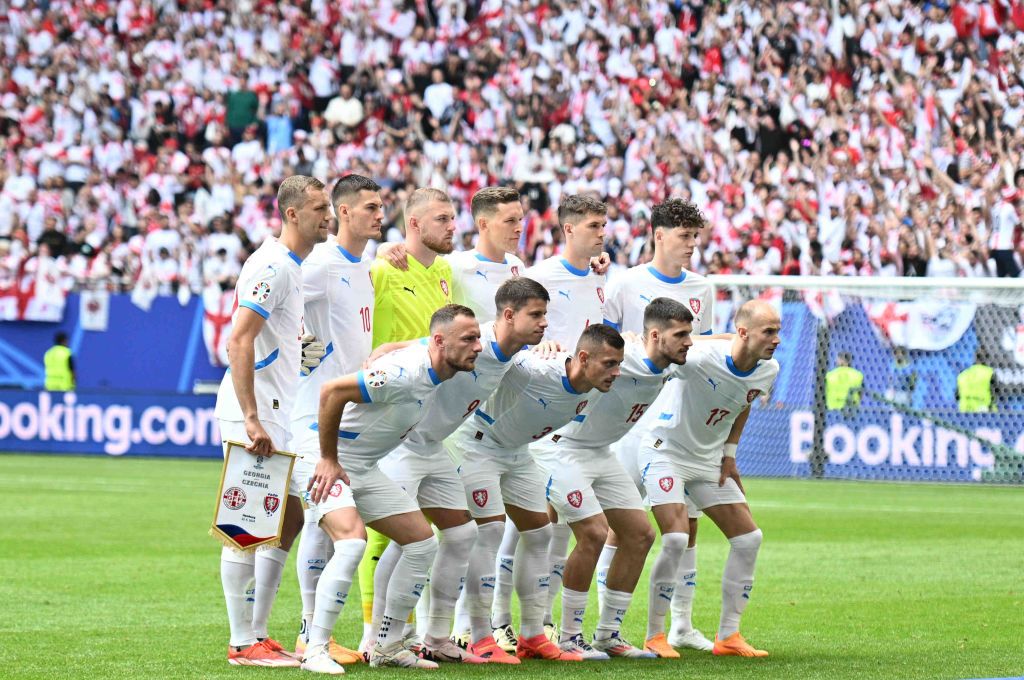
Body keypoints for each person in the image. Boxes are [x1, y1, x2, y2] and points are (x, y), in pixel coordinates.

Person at [369, 277, 552, 664]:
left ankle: (436, 637)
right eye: (536, 314)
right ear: (508, 315)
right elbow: (410, 348)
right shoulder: (474, 341)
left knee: (462, 534)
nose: (544, 323)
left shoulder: (514, 357)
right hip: (403, 445)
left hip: (433, 448)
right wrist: (384, 352)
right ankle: (378, 638)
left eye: (544, 315)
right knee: (408, 541)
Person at [308, 304, 484, 669]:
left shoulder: (432, 362)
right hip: (323, 460)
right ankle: (315, 650)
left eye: (478, 337)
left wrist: (387, 347)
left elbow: (409, 344)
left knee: (421, 542)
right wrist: (327, 457)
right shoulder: (404, 373)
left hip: (362, 467)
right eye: (469, 339)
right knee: (352, 542)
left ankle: (387, 647)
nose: (478, 346)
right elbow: (331, 391)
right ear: (440, 342)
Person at [532, 298, 695, 659]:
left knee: (640, 533)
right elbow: (585, 352)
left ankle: (608, 634)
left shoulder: (672, 363)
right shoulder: (627, 354)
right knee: (592, 533)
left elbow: (717, 346)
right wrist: (549, 347)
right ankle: (570, 637)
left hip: (600, 452)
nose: (689, 341)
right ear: (655, 335)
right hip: (562, 447)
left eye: (690, 333)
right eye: (681, 334)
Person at [212, 175, 331, 667]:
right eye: (320, 207)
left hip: (273, 412)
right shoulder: (272, 266)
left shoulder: (292, 268)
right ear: (292, 215)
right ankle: (243, 643)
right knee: (245, 524)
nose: (328, 215)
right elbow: (238, 340)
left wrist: (297, 357)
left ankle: (256, 634)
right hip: (254, 415)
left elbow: (263, 343)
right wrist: (251, 416)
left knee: (278, 519)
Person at [457, 324, 625, 663]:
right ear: (582, 357)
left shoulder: (593, 386)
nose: (617, 372)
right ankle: (478, 637)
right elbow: (490, 349)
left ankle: (532, 635)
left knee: (539, 534)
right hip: (478, 447)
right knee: (487, 533)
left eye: (618, 364)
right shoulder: (534, 368)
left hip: (519, 453)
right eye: (609, 364)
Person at [487, 194, 610, 650]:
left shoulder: (602, 278)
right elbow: (514, 330)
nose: (601, 233)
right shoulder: (539, 277)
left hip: (577, 416)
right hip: (539, 415)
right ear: (569, 230)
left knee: (554, 528)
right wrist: (534, 349)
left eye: (603, 225)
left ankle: (538, 624)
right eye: (594, 225)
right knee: (523, 526)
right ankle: (500, 620)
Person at [636, 299, 781, 658]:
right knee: (675, 539)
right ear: (743, 333)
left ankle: (728, 636)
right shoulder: (700, 357)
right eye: (769, 331)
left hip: (709, 461)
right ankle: (655, 635)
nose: (777, 339)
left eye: (778, 331)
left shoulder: (768, 369)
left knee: (749, 539)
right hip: (665, 450)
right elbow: (663, 350)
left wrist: (729, 455)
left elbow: (743, 401)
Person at [603, 198, 716, 655]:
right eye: (684, 236)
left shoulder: (702, 288)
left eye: (695, 236)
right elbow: (604, 342)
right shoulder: (626, 284)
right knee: (620, 522)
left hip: (677, 422)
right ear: (659, 235)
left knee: (686, 522)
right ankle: (605, 623)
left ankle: (682, 624)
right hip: (628, 420)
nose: (691, 245)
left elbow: (699, 351)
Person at [288, 174, 384, 669]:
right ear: (343, 213)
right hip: (312, 415)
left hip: (349, 416)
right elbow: (274, 306)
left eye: (380, 205)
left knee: (315, 527)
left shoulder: (366, 263)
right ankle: (306, 638)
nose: (378, 214)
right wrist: (296, 342)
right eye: (369, 206)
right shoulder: (321, 264)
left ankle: (308, 635)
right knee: (333, 528)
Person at [356, 187, 458, 651]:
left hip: (426, 412)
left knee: (417, 531)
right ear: (414, 224)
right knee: (382, 530)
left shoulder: (444, 272)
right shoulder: (381, 268)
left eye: (454, 217)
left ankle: (401, 631)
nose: (452, 225)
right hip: (383, 409)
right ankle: (370, 633)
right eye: (442, 218)